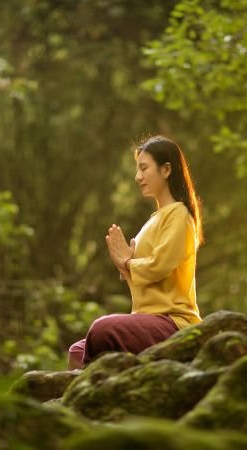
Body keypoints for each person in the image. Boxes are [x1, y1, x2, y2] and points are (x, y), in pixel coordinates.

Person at [68, 135, 204, 370]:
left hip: (173, 321)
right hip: (145, 318)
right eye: (137, 169)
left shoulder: (180, 215)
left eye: (144, 168)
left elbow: (160, 266)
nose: (137, 177)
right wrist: (123, 265)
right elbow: (143, 279)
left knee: (101, 329)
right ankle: (74, 401)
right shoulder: (154, 220)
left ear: (166, 169)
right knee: (77, 351)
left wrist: (128, 263)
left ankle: (92, 390)